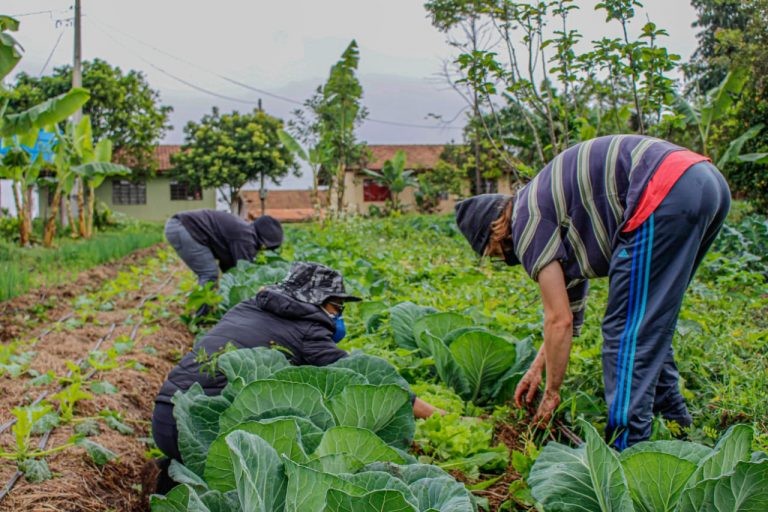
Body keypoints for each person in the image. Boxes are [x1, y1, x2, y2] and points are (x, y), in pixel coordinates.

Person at [454, 134, 731, 450]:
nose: (503, 260)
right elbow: (567, 313)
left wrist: (552, 393)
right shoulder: (547, 214)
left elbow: (559, 321)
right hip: (705, 183)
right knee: (648, 321)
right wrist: (536, 369)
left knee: (626, 333)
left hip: (664, 189)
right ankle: (678, 426)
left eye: (492, 253)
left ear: (495, 231)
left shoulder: (525, 222)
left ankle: (627, 451)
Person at [152, 261, 442, 463]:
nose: (339, 315)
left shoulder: (249, 306)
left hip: (169, 416)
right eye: (337, 307)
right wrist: (438, 416)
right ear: (317, 301)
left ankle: (170, 479)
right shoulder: (308, 332)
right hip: (202, 434)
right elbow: (368, 380)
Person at [164, 209, 284, 287]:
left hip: (180, 225)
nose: (262, 251)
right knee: (209, 274)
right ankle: (202, 319)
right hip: (184, 228)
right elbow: (243, 272)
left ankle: (207, 310)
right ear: (264, 242)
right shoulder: (246, 238)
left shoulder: (245, 232)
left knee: (210, 275)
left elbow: (228, 267)